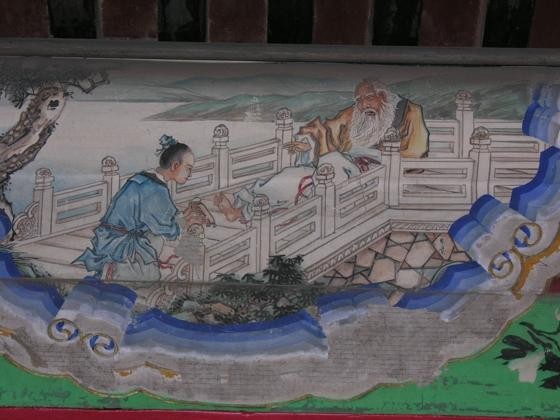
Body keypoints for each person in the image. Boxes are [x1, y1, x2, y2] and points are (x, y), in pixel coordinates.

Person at [74, 134, 204, 282]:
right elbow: (167, 229)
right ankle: (114, 269)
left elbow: (166, 217)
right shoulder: (155, 190)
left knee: (156, 242)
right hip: (118, 243)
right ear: (175, 166)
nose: (190, 174)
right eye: (188, 169)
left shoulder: (145, 178)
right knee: (151, 276)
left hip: (109, 236)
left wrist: (185, 217)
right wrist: (188, 221)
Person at [285, 79, 429, 161]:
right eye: (359, 100)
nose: (364, 105)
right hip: (347, 170)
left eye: (369, 98)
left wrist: (373, 156)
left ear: (383, 97)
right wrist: (310, 147)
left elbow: (417, 151)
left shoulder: (410, 111)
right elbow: (329, 132)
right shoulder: (352, 113)